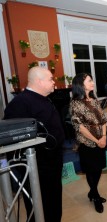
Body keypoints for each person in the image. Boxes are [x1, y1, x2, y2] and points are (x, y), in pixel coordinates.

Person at [3, 66, 64, 222]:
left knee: (53, 202)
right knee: (39, 206)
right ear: (39, 81)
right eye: (50, 79)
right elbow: (13, 139)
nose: (54, 82)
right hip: (37, 168)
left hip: (52, 163)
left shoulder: (43, 98)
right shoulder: (20, 103)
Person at [69, 73, 107, 213]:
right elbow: (80, 127)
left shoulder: (95, 100)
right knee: (91, 170)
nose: (93, 82)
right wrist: (97, 140)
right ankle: (95, 195)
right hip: (86, 143)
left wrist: (103, 137)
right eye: (89, 80)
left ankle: (92, 192)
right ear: (81, 84)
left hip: (100, 140)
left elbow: (103, 120)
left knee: (98, 169)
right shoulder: (75, 104)